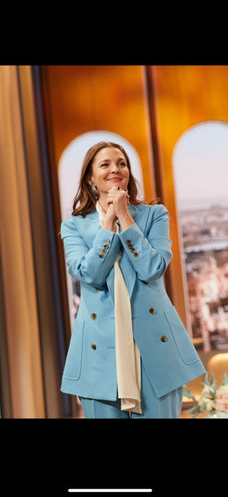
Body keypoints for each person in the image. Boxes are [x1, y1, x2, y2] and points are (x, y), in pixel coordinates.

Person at [60, 141, 205, 418]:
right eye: (105, 164)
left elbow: (152, 268)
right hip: (99, 351)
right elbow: (89, 274)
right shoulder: (74, 225)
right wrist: (106, 229)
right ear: (90, 177)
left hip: (154, 345)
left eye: (121, 163)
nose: (115, 169)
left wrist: (125, 216)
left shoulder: (154, 215)